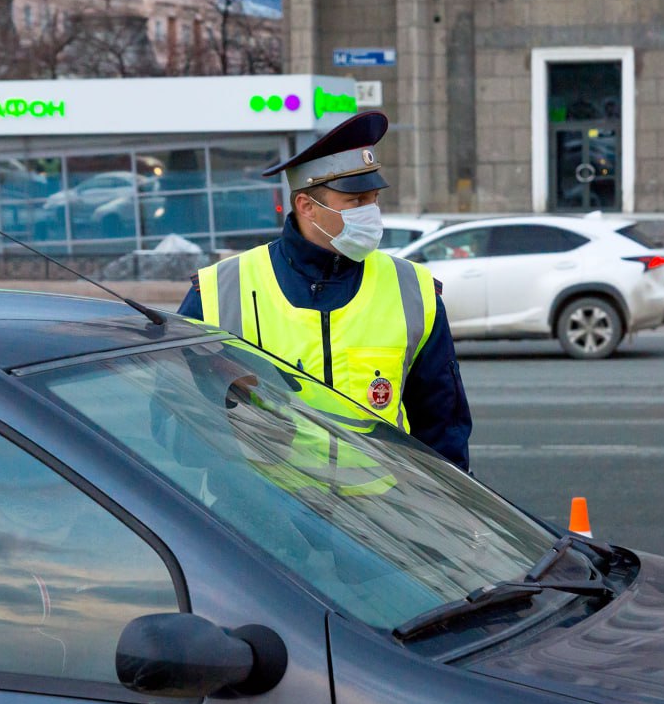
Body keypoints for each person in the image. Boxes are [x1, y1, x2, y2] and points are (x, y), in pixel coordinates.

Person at [178, 111, 472, 471]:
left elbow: (443, 427)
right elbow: (181, 424)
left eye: (374, 199)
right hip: (262, 519)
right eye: (356, 201)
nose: (372, 213)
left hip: (381, 519)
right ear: (307, 207)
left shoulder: (414, 289)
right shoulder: (218, 292)